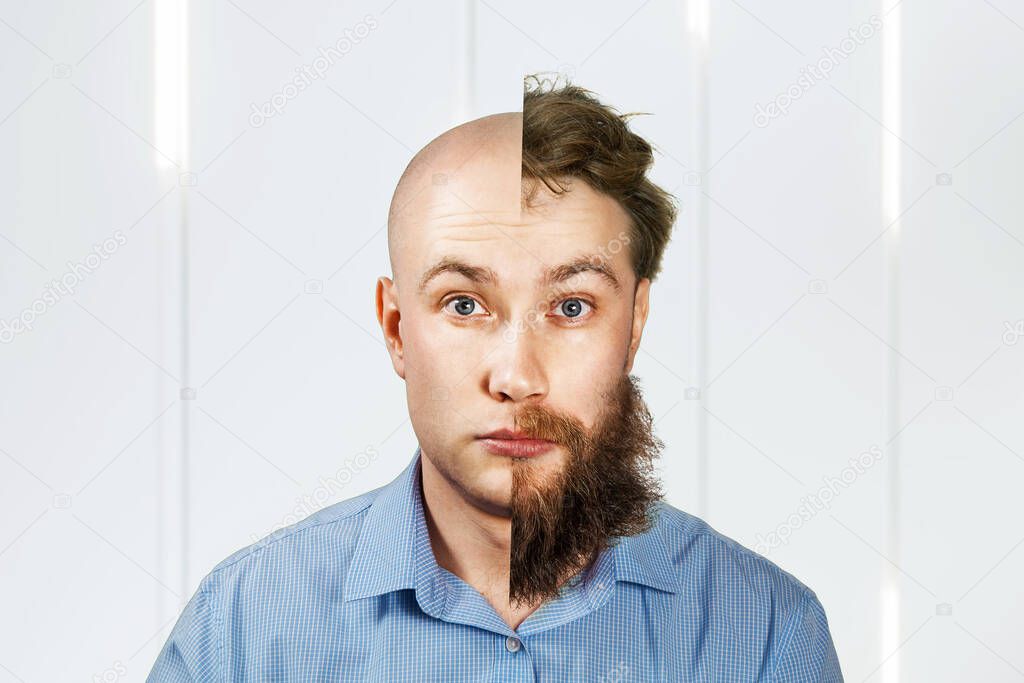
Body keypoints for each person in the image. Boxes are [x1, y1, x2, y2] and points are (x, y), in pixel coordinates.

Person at [148, 75, 844, 682]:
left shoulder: (767, 636)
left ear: (633, 325)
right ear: (395, 328)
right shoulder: (243, 629)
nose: (515, 377)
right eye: (465, 304)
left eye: (571, 307)